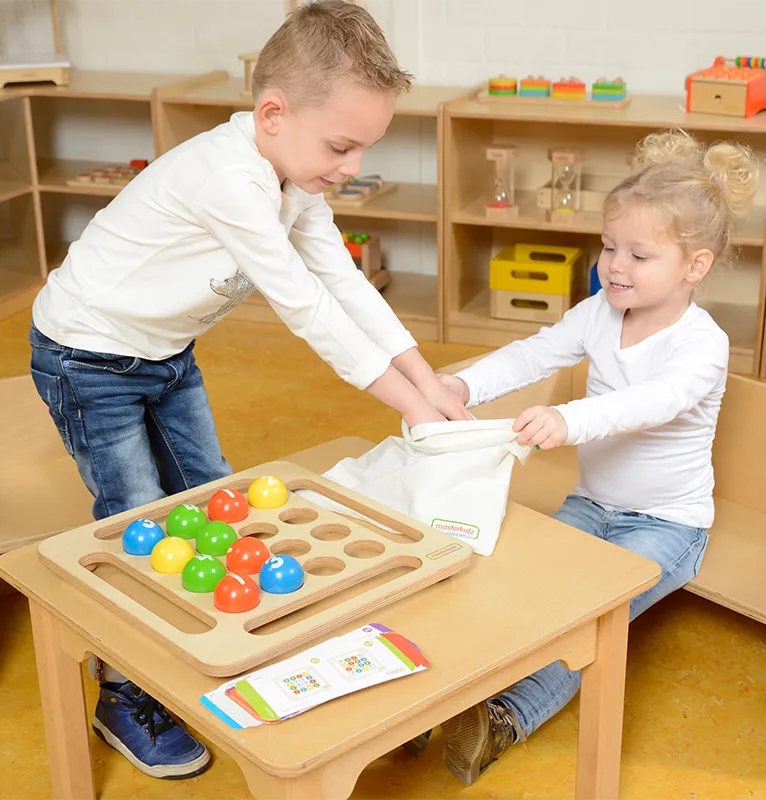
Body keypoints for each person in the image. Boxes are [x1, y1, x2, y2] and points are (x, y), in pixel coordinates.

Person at [29, 0, 467, 780]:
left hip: (162, 354)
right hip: (86, 357)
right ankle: (126, 691)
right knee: (134, 519)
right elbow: (305, 308)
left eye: (363, 148)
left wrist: (426, 378)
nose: (349, 166)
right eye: (342, 146)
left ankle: (232, 642)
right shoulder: (229, 180)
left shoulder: (295, 178)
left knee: (211, 493)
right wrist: (412, 411)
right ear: (273, 113)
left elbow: (346, 284)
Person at [433, 129, 758, 786]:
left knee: (585, 617)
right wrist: (464, 384)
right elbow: (533, 353)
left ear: (693, 267)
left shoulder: (703, 345)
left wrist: (567, 419)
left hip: (668, 524)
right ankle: (443, 693)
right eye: (610, 247)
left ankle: (506, 715)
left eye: (640, 255)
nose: (615, 266)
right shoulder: (600, 312)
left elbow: (652, 403)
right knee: (517, 583)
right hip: (591, 503)